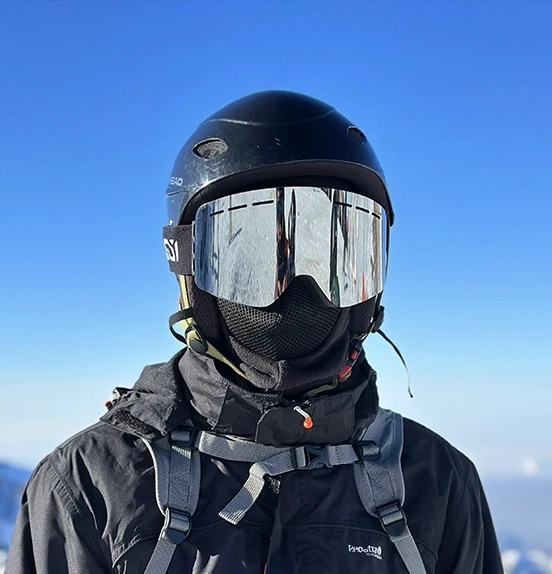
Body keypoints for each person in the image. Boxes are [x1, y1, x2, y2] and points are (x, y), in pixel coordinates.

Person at [6, 90, 504, 573]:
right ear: (187, 268)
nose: (298, 291)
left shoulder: (437, 483)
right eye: (251, 262)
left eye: (335, 257)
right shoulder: (88, 487)